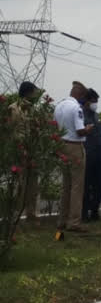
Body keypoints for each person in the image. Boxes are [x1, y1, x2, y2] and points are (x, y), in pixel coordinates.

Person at [53, 81, 93, 233]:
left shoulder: (59, 106)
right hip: (75, 147)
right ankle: (74, 222)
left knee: (66, 185)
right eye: (83, 96)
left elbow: (54, 126)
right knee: (77, 186)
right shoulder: (76, 108)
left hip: (61, 145)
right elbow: (80, 131)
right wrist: (88, 129)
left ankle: (62, 220)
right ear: (80, 94)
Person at [9, 81, 42, 224]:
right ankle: (15, 216)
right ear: (28, 92)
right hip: (19, 150)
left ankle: (32, 214)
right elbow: (10, 130)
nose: (36, 95)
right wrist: (19, 148)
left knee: (33, 185)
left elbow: (36, 129)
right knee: (20, 184)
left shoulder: (32, 109)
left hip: (32, 150)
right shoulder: (14, 109)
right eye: (34, 92)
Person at [81, 88, 101, 222]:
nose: (96, 104)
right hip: (87, 154)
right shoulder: (81, 114)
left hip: (98, 154)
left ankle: (95, 211)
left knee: (98, 185)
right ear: (88, 101)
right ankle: (84, 213)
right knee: (86, 185)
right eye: (95, 101)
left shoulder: (95, 115)